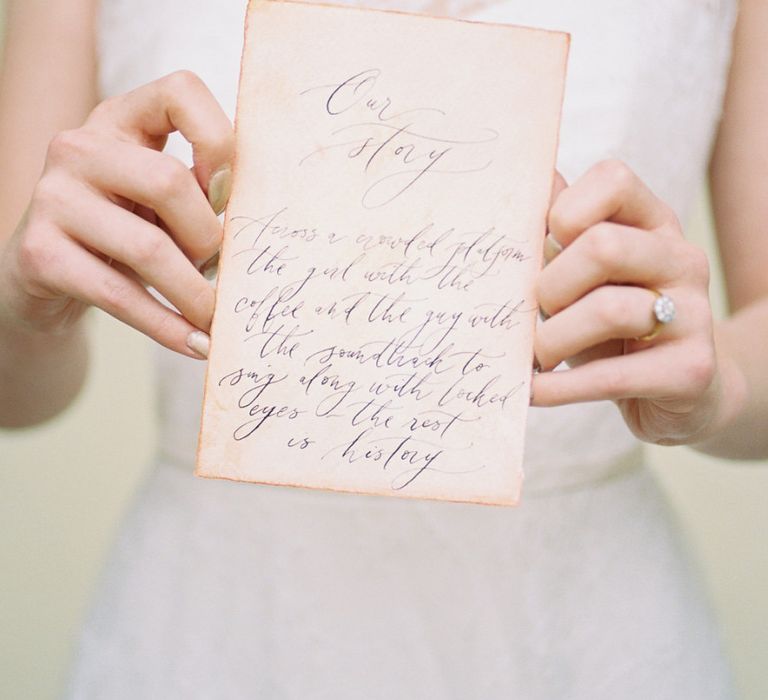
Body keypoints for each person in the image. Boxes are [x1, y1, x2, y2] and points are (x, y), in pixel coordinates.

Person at [1, 0, 765, 697]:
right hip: (219, 611)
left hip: (581, 620)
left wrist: (718, 385)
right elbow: (18, 399)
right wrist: (24, 304)